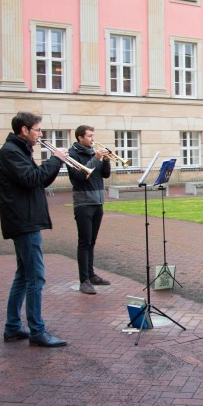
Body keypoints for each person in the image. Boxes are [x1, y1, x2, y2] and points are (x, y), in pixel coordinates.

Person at [0, 112, 68, 347]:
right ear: (24, 130)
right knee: (35, 276)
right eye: (37, 130)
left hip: (25, 219)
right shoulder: (10, 152)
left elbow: (39, 180)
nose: (40, 134)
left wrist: (55, 163)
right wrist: (55, 159)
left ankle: (13, 327)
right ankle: (37, 331)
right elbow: (30, 178)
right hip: (23, 221)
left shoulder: (19, 150)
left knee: (23, 275)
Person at [68, 125, 112, 295]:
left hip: (97, 202)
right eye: (90, 136)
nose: (93, 139)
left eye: (93, 136)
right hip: (83, 203)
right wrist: (96, 158)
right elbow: (80, 175)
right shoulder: (73, 155)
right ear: (80, 138)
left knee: (91, 242)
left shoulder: (93, 153)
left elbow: (105, 175)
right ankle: (84, 280)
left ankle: (91, 275)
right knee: (84, 242)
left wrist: (106, 161)